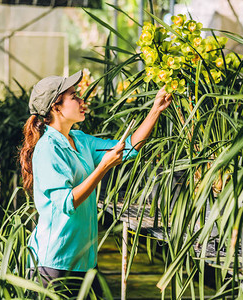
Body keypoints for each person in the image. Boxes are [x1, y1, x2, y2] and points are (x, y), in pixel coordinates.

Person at [19, 70, 172, 297]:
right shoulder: (48, 148)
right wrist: (103, 167)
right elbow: (68, 201)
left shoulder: (80, 139)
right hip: (55, 262)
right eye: (74, 96)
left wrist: (155, 110)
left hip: (84, 258)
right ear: (56, 107)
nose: (82, 101)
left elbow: (127, 148)